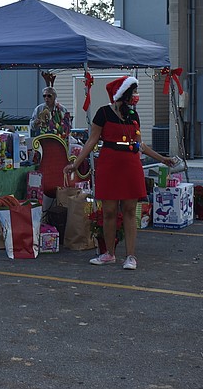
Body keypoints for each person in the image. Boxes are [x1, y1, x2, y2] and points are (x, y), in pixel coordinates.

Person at [64, 76, 173, 270]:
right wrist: (75, 163)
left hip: (131, 164)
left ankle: (131, 256)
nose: (135, 97)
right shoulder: (103, 113)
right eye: (133, 93)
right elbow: (92, 141)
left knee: (130, 211)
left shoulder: (133, 115)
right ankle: (109, 254)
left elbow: (141, 145)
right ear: (122, 94)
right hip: (109, 163)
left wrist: (162, 158)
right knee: (109, 211)